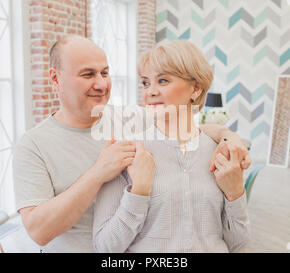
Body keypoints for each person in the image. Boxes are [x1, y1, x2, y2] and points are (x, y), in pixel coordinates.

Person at [13, 35, 250, 252]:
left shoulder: (129, 120)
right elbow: (38, 231)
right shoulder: (33, 145)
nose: (101, 84)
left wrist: (228, 136)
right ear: (55, 78)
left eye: (104, 73)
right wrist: (98, 174)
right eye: (88, 75)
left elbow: (183, 126)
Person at [93, 40, 249, 252]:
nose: (151, 92)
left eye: (163, 81)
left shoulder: (221, 152)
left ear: (195, 89)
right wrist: (139, 192)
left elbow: (238, 245)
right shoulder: (128, 153)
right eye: (146, 83)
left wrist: (236, 193)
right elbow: (105, 247)